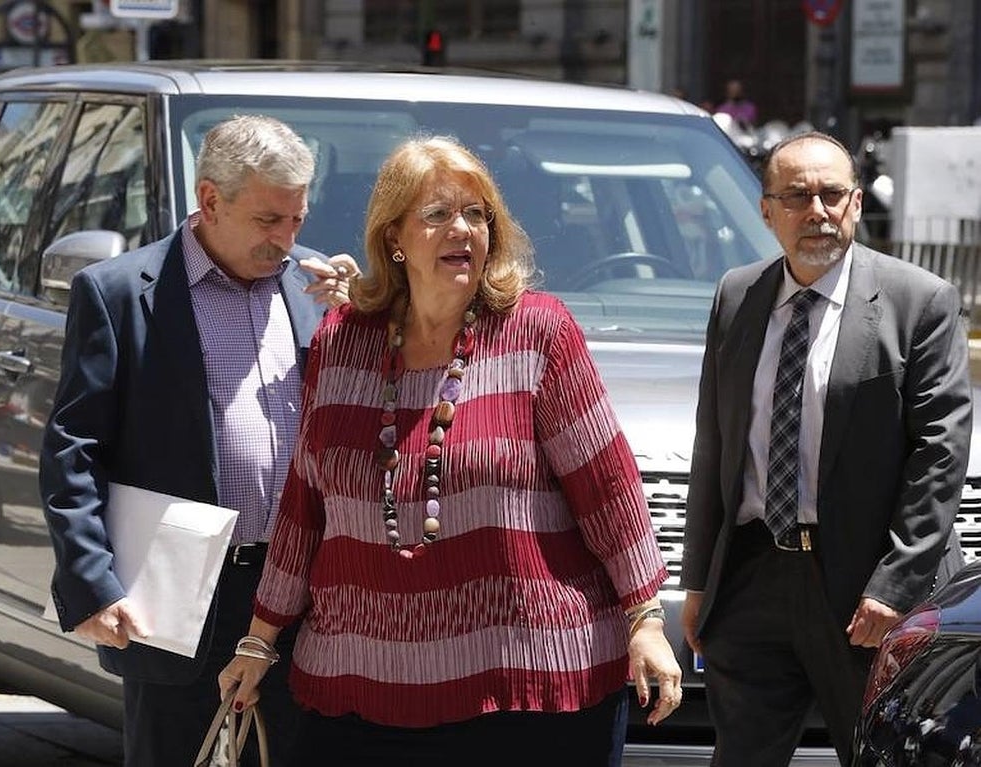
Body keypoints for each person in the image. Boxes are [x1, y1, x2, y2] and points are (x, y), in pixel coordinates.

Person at [217, 135, 683, 767]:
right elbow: (305, 505)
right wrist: (260, 638)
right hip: (360, 681)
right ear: (395, 239)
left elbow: (608, 487)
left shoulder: (537, 332)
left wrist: (646, 619)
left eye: (477, 214)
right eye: (437, 214)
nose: (461, 228)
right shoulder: (342, 341)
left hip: (527, 683)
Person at [39, 114, 359, 767]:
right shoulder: (122, 293)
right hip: (183, 596)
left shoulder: (314, 289)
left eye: (297, 219)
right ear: (210, 201)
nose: (287, 240)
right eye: (269, 221)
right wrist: (91, 580)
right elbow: (74, 449)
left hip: (301, 599)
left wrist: (359, 318)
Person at [680, 130, 972, 767]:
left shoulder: (918, 301)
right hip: (755, 578)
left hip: (867, 590)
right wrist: (699, 576)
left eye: (833, 195)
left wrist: (894, 586)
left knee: (883, 757)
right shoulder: (737, 295)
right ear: (766, 210)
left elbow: (940, 456)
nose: (817, 211)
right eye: (797, 196)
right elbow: (717, 443)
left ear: (857, 204)